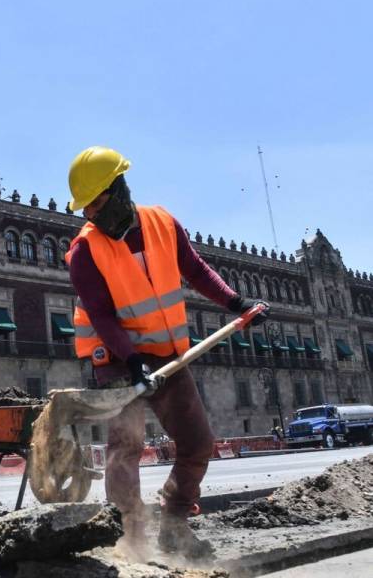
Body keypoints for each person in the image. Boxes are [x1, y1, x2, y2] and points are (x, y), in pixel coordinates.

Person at [65, 146, 269, 559]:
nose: (92, 216)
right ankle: (127, 539)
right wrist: (131, 357)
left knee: (197, 442)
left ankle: (174, 523)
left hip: (168, 355)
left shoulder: (163, 223)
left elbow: (195, 269)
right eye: (86, 210)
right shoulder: (85, 251)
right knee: (126, 448)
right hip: (118, 360)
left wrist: (236, 303)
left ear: (119, 188)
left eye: (98, 204)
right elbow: (102, 315)